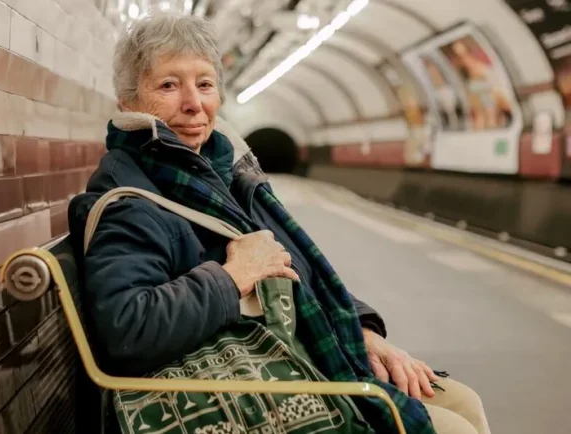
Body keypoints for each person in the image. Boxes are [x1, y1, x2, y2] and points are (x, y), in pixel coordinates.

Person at [68, 12, 490, 434]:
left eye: (204, 83)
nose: (194, 103)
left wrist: (362, 330)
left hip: (294, 354)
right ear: (128, 102)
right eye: (168, 85)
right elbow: (126, 327)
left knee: (464, 402)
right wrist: (232, 277)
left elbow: (299, 271)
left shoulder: (225, 172)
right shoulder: (132, 196)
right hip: (236, 384)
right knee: (455, 429)